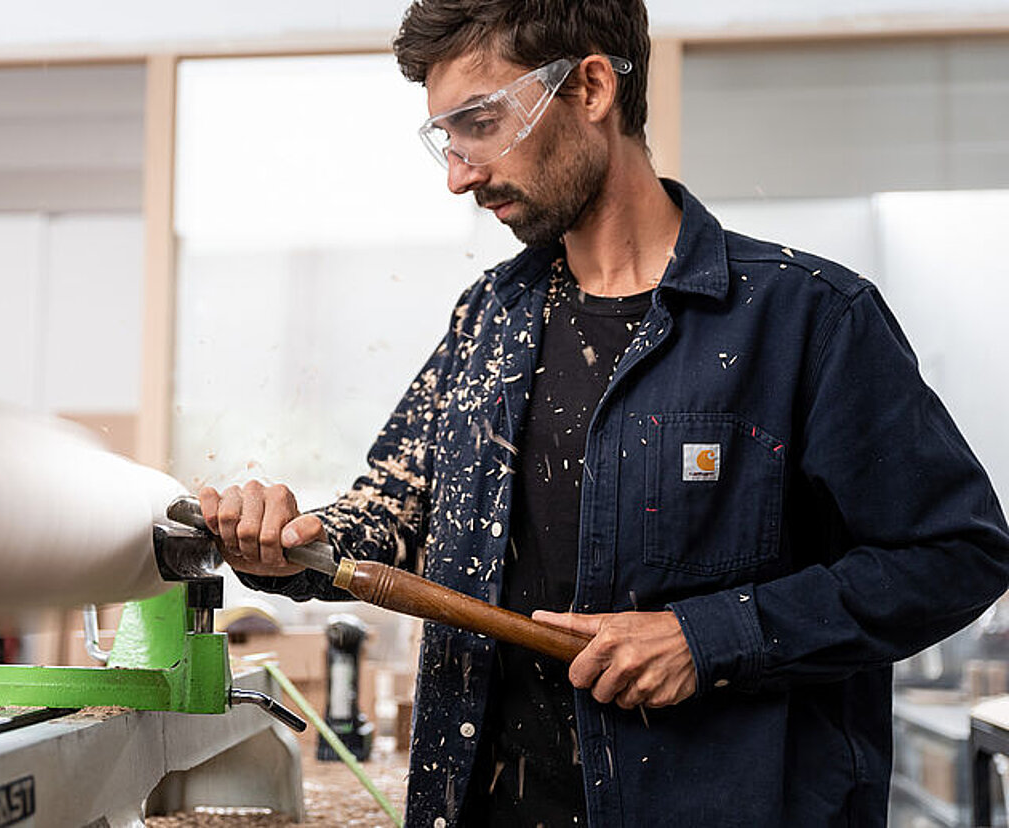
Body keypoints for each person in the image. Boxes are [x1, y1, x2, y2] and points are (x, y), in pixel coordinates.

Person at [198, 1, 1009, 825]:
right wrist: (289, 542)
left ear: (590, 87)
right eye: (446, 138)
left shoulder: (807, 318)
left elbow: (955, 553)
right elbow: (395, 511)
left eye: (481, 122)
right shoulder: (489, 317)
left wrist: (711, 637)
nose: (458, 173)